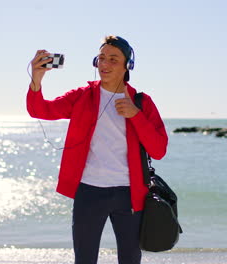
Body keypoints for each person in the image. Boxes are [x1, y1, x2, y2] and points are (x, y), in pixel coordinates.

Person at [26, 35, 168, 264]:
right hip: (89, 192)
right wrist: (37, 79)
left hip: (129, 194)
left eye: (113, 59)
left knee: (130, 259)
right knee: (84, 259)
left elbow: (159, 149)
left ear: (127, 65)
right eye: (101, 58)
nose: (104, 64)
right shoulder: (82, 96)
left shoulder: (142, 102)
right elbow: (41, 110)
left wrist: (136, 116)